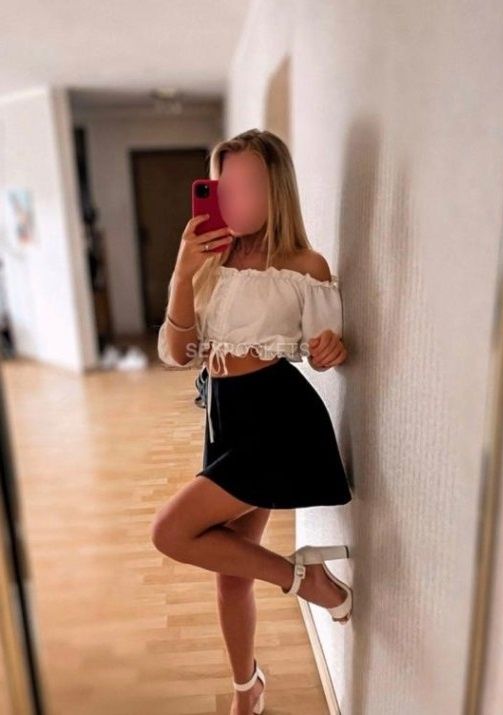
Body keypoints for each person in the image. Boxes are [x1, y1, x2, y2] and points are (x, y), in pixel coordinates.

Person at [151, 129, 354, 715]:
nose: (234, 198)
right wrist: (183, 273)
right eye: (225, 186)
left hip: (277, 418)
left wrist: (332, 349)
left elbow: (324, 349)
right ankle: (248, 688)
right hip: (224, 416)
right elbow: (176, 354)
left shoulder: (303, 266)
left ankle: (309, 583)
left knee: (170, 531)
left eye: (248, 185)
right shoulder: (208, 261)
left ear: (276, 190)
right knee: (231, 572)